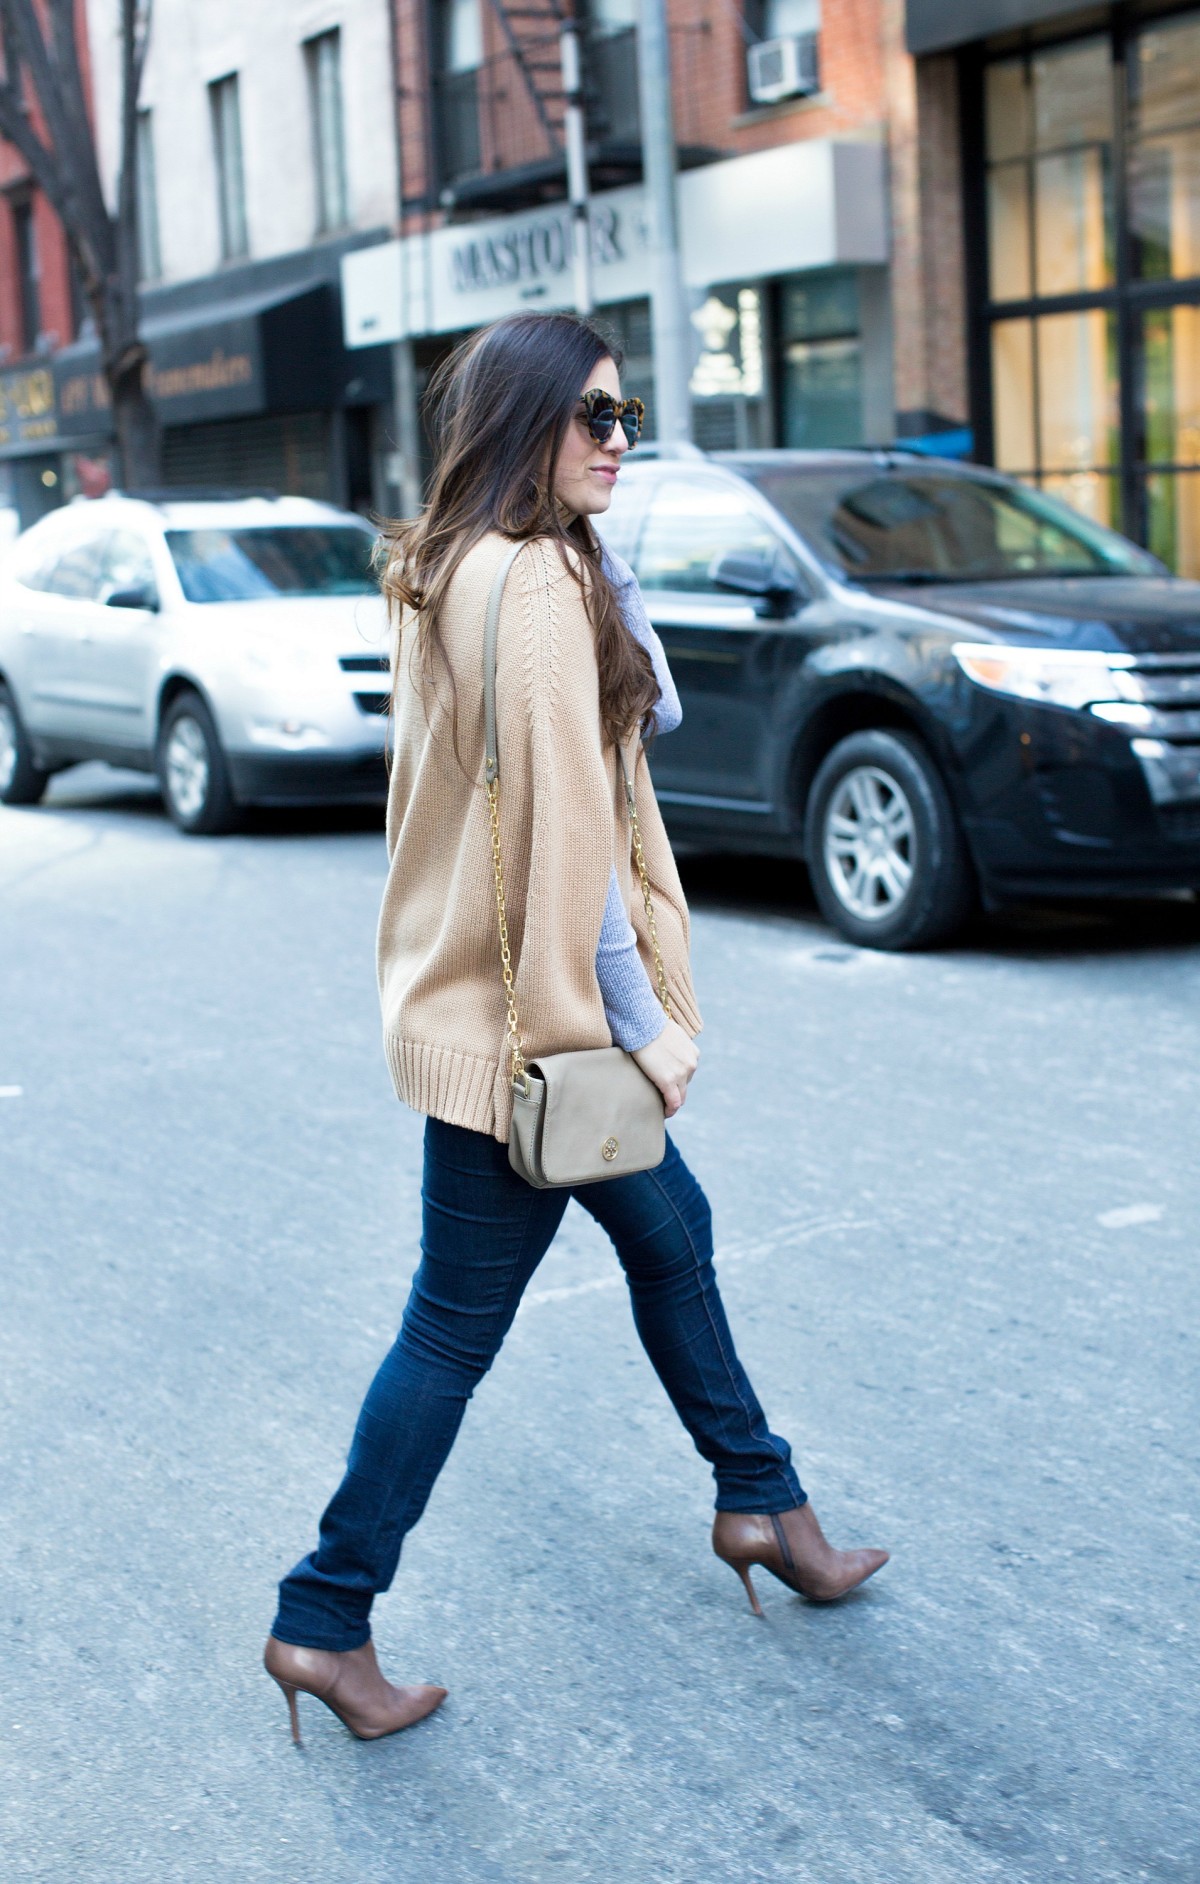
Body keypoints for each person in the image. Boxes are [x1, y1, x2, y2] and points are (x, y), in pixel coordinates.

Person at [263, 312, 888, 1745]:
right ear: (526, 423)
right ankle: (323, 1613)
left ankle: (762, 1498)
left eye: (628, 416)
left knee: (673, 1239)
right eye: (595, 417)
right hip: (528, 1036)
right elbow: (566, 841)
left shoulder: (455, 567)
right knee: (451, 1331)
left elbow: (564, 769)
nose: (622, 441)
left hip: (481, 1008)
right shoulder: (534, 583)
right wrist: (637, 1029)